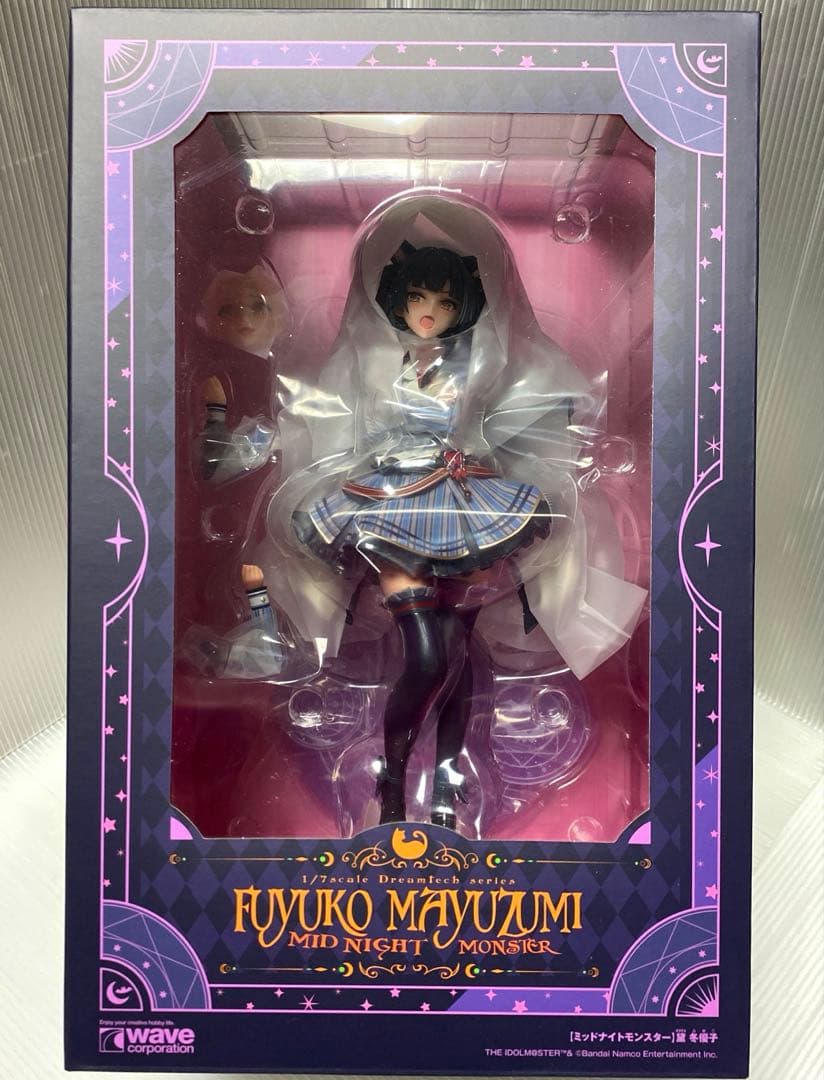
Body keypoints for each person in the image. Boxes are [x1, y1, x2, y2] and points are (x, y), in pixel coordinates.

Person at [258, 192, 646, 831]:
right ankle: (391, 778)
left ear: (461, 305)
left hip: (459, 501)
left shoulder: (477, 363)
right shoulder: (374, 363)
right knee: (427, 657)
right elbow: (331, 417)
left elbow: (521, 403)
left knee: (463, 655)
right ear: (396, 300)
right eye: (417, 298)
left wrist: (556, 426)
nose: (429, 312)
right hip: (391, 507)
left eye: (442, 302)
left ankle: (445, 788)